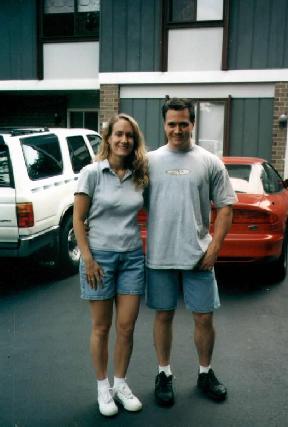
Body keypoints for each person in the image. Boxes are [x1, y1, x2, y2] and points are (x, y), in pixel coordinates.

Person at [145, 97, 237, 406]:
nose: (178, 129)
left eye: (184, 123)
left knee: (203, 318)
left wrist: (215, 247)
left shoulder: (210, 162)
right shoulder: (149, 161)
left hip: (200, 256)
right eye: (172, 123)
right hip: (159, 256)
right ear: (164, 124)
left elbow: (225, 208)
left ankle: (205, 372)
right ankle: (164, 374)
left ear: (192, 123)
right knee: (163, 317)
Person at [73, 113, 148, 416]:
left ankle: (121, 384)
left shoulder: (140, 175)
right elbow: (78, 219)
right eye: (118, 134)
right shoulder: (91, 173)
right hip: (99, 260)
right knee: (102, 328)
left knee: (126, 328)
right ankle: (103, 388)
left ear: (134, 141)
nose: (123, 140)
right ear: (108, 139)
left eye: (129, 136)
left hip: (132, 258)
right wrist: (88, 259)